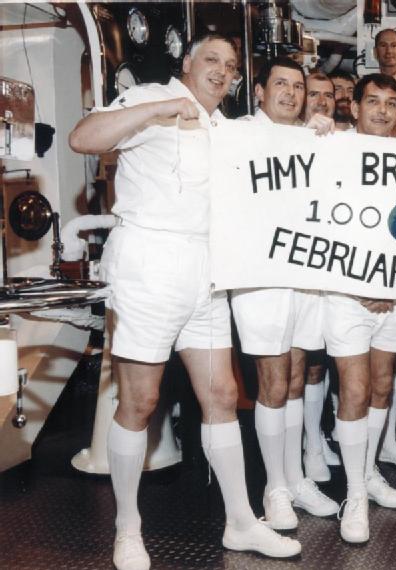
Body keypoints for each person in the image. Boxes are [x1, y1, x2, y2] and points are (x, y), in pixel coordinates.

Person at [68, 34, 301, 569]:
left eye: (231, 66)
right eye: (211, 59)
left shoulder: (225, 127)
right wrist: (160, 109)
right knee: (140, 402)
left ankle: (240, 522)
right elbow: (83, 138)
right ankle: (127, 528)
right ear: (187, 62)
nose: (222, 71)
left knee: (222, 393)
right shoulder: (151, 98)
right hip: (149, 264)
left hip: (206, 268)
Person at [231, 56, 338, 530]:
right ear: (259, 91)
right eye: (281, 85)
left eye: (298, 87)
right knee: (273, 384)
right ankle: (274, 489)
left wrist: (328, 140)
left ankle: (294, 479)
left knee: (296, 379)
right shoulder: (238, 135)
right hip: (262, 278)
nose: (291, 94)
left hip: (306, 273)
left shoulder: (310, 137)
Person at [324, 73, 396, 544]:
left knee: (381, 387)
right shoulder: (332, 150)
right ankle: (354, 493)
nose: (381, 110)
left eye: (391, 103)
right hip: (345, 294)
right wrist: (358, 283)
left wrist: (392, 285)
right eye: (372, 101)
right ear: (354, 107)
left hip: (395, 293)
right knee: (354, 390)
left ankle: (369, 470)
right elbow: (319, 225)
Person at [299, 71, 342, 482]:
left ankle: (318, 437)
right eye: (314, 94)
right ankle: (310, 445)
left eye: (328, 95)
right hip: (299, 270)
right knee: (304, 366)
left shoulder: (343, 142)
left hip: (334, 268)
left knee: (326, 364)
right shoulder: (285, 139)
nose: (322, 101)